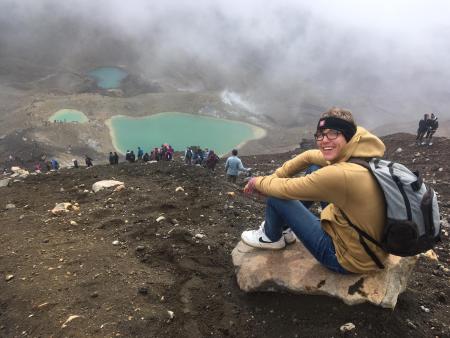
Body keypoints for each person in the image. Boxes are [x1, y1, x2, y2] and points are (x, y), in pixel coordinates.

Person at [241, 107, 388, 274]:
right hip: (368, 247)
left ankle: (271, 237)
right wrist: (276, 175)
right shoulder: (360, 155)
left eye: (333, 133)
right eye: (320, 134)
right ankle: (285, 229)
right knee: (314, 167)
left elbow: (284, 189)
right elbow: (309, 156)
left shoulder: (341, 174)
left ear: (347, 134)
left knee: (277, 195)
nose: (324, 140)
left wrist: (257, 182)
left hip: (345, 259)